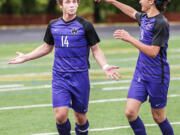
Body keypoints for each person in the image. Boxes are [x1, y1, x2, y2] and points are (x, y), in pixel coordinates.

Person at [8, 0, 120, 135]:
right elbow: (46, 47)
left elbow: (95, 50)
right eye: (68, 2)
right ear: (60, 5)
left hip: (80, 77)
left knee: (80, 118)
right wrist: (26, 57)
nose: (72, 5)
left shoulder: (85, 25)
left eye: (75, 2)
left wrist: (105, 65)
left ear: (78, 4)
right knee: (60, 116)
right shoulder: (53, 25)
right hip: (60, 77)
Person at [95, 0, 174, 135]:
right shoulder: (144, 18)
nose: (139, 1)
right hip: (141, 73)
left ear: (151, 1)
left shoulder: (161, 23)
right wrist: (112, 1)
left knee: (158, 117)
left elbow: (153, 52)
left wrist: (130, 38)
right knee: (130, 112)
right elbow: (131, 11)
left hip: (157, 76)